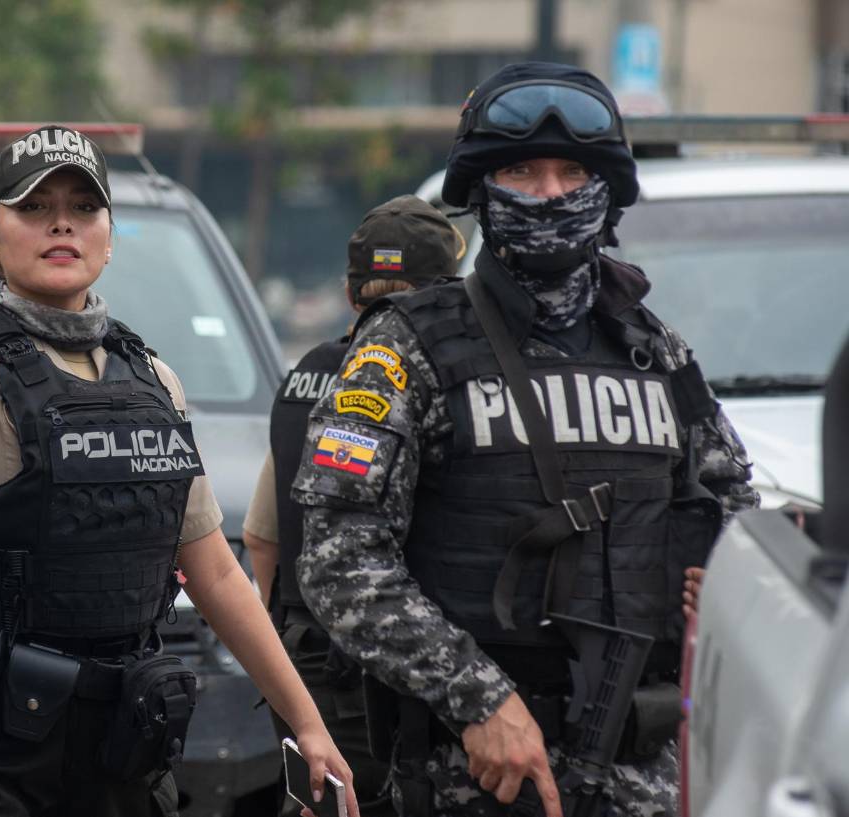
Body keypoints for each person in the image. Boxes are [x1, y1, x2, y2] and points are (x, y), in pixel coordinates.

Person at [290, 62, 760, 817]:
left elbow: (740, 521)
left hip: (644, 768)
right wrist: (478, 699)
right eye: (522, 172)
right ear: (483, 188)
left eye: (572, 172)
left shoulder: (656, 351)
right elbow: (338, 560)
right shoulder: (407, 346)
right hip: (478, 775)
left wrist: (725, 588)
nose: (550, 194)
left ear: (605, 189)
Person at [0, 125, 358, 817]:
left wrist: (307, 723)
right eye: (34, 207)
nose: (61, 223)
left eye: (83, 206)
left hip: (122, 754)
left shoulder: (152, 379)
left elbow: (217, 573)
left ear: (108, 238)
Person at [243, 194, 463, 816]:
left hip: (306, 668)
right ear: (448, 294)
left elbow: (261, 538)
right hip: (404, 674)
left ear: (349, 292)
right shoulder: (438, 385)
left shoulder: (306, 376)